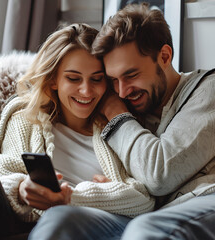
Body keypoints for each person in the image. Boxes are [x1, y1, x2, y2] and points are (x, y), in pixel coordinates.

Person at [0, 23, 155, 240]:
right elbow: (4, 171)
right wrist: (22, 189)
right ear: (53, 80)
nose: (86, 91)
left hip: (84, 224)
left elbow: (144, 199)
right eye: (73, 78)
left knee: (59, 218)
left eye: (96, 79)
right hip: (20, 221)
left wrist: (73, 198)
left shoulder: (118, 126)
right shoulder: (25, 117)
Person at [91, 2, 215, 240]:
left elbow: (160, 174)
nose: (123, 91)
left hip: (204, 201)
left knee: (145, 232)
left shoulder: (207, 90)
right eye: (113, 80)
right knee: (64, 220)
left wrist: (116, 113)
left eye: (131, 75)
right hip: (146, 213)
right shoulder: (134, 108)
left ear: (165, 56)